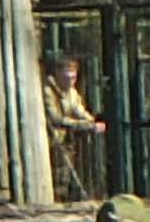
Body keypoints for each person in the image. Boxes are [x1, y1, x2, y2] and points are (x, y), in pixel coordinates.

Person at [42, 49, 111, 201]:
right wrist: (84, 125)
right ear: (57, 74)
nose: (70, 81)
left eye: (73, 78)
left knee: (65, 173)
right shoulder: (48, 91)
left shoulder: (71, 92)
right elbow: (56, 119)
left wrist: (92, 122)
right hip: (49, 139)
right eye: (66, 77)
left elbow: (79, 110)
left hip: (65, 139)